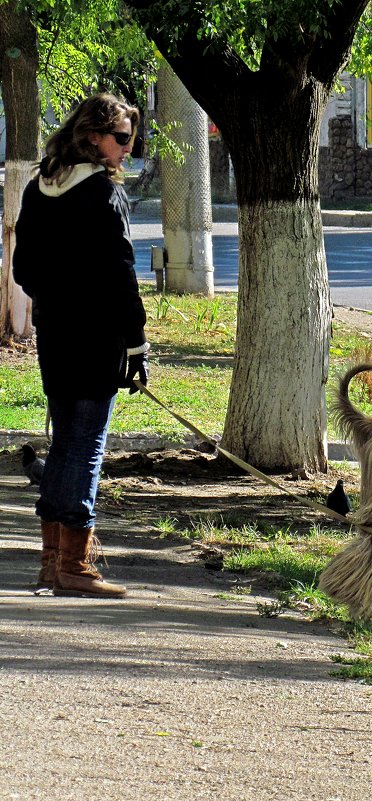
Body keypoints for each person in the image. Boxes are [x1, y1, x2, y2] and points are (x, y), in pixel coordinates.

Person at [12, 92, 149, 598]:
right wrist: (135, 346)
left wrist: (58, 298)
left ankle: (52, 562)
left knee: (65, 441)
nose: (126, 151)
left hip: (55, 334)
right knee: (84, 447)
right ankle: (75, 565)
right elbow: (121, 277)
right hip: (97, 340)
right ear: (92, 137)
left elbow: (24, 271)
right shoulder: (103, 195)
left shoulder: (38, 187)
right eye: (121, 139)